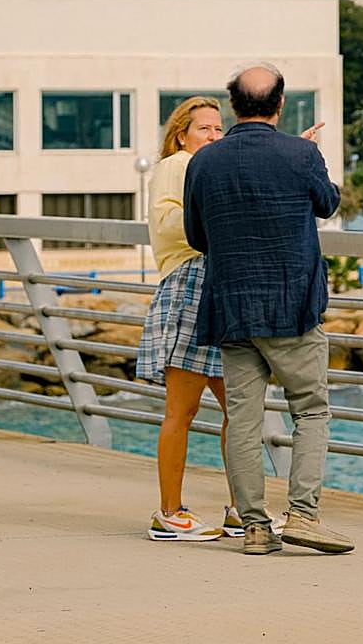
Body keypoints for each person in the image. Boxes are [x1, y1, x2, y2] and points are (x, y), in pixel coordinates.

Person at [184, 63, 352, 556]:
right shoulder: (301, 154)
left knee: (243, 419)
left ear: (234, 105)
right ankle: (302, 514)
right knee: (312, 410)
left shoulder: (205, 162)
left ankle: (255, 527)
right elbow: (328, 204)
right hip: (291, 304)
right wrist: (309, 155)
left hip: (231, 304)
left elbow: (197, 236)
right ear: (280, 103)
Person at [136, 96, 235, 541]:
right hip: (191, 284)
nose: (214, 136)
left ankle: (241, 508)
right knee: (183, 409)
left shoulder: (204, 168)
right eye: (204, 129)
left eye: (219, 129)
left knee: (241, 408)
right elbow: (173, 224)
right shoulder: (178, 165)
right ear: (182, 135)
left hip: (216, 286)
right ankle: (169, 513)